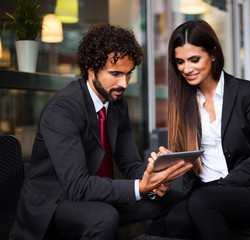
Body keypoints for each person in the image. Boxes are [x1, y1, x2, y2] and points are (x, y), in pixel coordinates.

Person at [9, 23, 192, 240]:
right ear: (90, 66)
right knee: (103, 217)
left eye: (128, 74)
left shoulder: (116, 103)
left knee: (177, 202)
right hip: (54, 203)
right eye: (115, 73)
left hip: (99, 194)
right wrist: (140, 186)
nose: (123, 83)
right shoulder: (63, 109)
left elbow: (130, 163)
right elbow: (77, 186)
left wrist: (154, 179)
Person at [163, 20, 250, 240]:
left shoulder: (244, 92)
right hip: (205, 190)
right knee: (174, 220)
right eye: (180, 62)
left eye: (194, 59)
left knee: (202, 203)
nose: (186, 69)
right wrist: (169, 162)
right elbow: (190, 161)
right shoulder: (183, 102)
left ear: (213, 54)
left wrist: (227, 182)